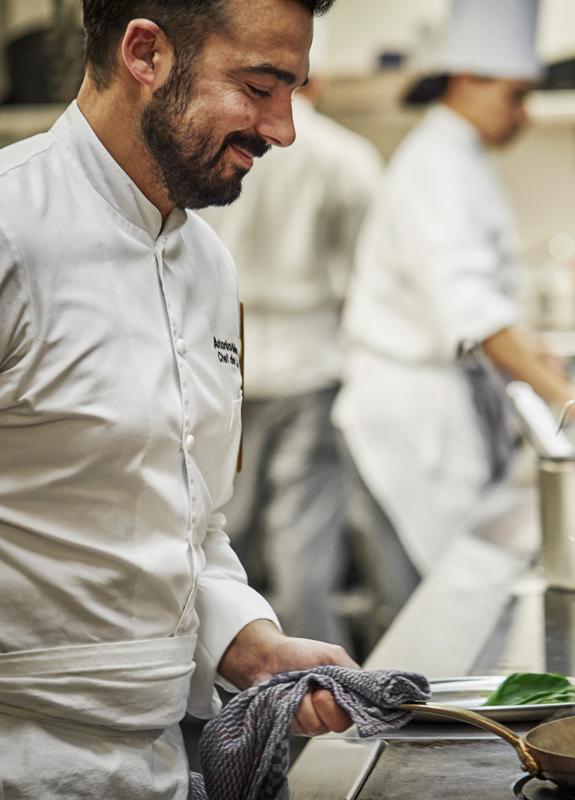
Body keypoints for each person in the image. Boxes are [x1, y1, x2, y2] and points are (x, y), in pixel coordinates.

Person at [0, 1, 358, 798]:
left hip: (153, 763)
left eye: (291, 90)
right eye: (260, 87)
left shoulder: (207, 268)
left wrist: (249, 643)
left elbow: (188, 521)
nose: (284, 128)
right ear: (146, 53)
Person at [334, 0, 575, 580]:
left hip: (431, 410)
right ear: (468, 79)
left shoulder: (458, 157)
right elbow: (473, 310)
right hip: (408, 425)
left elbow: (484, 299)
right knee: (432, 609)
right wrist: (564, 394)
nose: (525, 115)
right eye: (517, 96)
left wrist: (539, 356)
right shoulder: (438, 166)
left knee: (451, 593)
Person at [198, 19, 383, 650]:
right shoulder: (346, 159)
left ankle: (231, 702)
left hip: (230, 362)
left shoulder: (215, 146)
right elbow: (373, 278)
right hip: (311, 367)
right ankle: (314, 699)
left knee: (224, 538)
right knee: (306, 548)